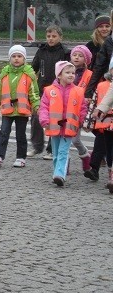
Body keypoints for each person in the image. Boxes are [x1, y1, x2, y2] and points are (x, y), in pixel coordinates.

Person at [0, 45, 40, 168]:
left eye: (19, 56)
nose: (16, 59)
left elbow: (34, 93)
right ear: (10, 58)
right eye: (14, 56)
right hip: (7, 110)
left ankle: (21, 157)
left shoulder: (29, 74)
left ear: (24, 58)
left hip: (22, 111)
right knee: (4, 132)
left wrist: (36, 105)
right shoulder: (5, 73)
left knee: (20, 135)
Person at [38, 61, 88, 187]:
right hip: (54, 126)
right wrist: (44, 119)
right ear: (59, 75)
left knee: (63, 152)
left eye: (73, 73)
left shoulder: (78, 91)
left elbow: (82, 107)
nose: (71, 75)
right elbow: (44, 107)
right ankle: (57, 173)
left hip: (69, 127)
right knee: (55, 152)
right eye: (67, 72)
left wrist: (81, 120)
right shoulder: (49, 91)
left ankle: (60, 174)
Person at [29, 25, 71, 159]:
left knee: (55, 119)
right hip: (41, 89)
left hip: (58, 90)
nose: (51, 39)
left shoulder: (65, 52)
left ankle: (51, 149)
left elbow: (69, 71)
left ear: (60, 37)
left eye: (54, 36)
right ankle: (37, 146)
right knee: (36, 117)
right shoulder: (41, 50)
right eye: (48, 36)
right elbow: (32, 68)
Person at [70, 45, 94, 171]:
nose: (77, 57)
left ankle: (85, 156)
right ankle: (63, 165)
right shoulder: (65, 70)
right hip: (64, 110)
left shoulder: (89, 74)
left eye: (80, 56)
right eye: (75, 55)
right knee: (64, 139)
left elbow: (91, 91)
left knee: (75, 139)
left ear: (86, 59)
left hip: (79, 110)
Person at [91, 57, 113, 191]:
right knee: (109, 148)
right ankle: (111, 173)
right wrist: (100, 109)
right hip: (109, 121)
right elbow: (109, 97)